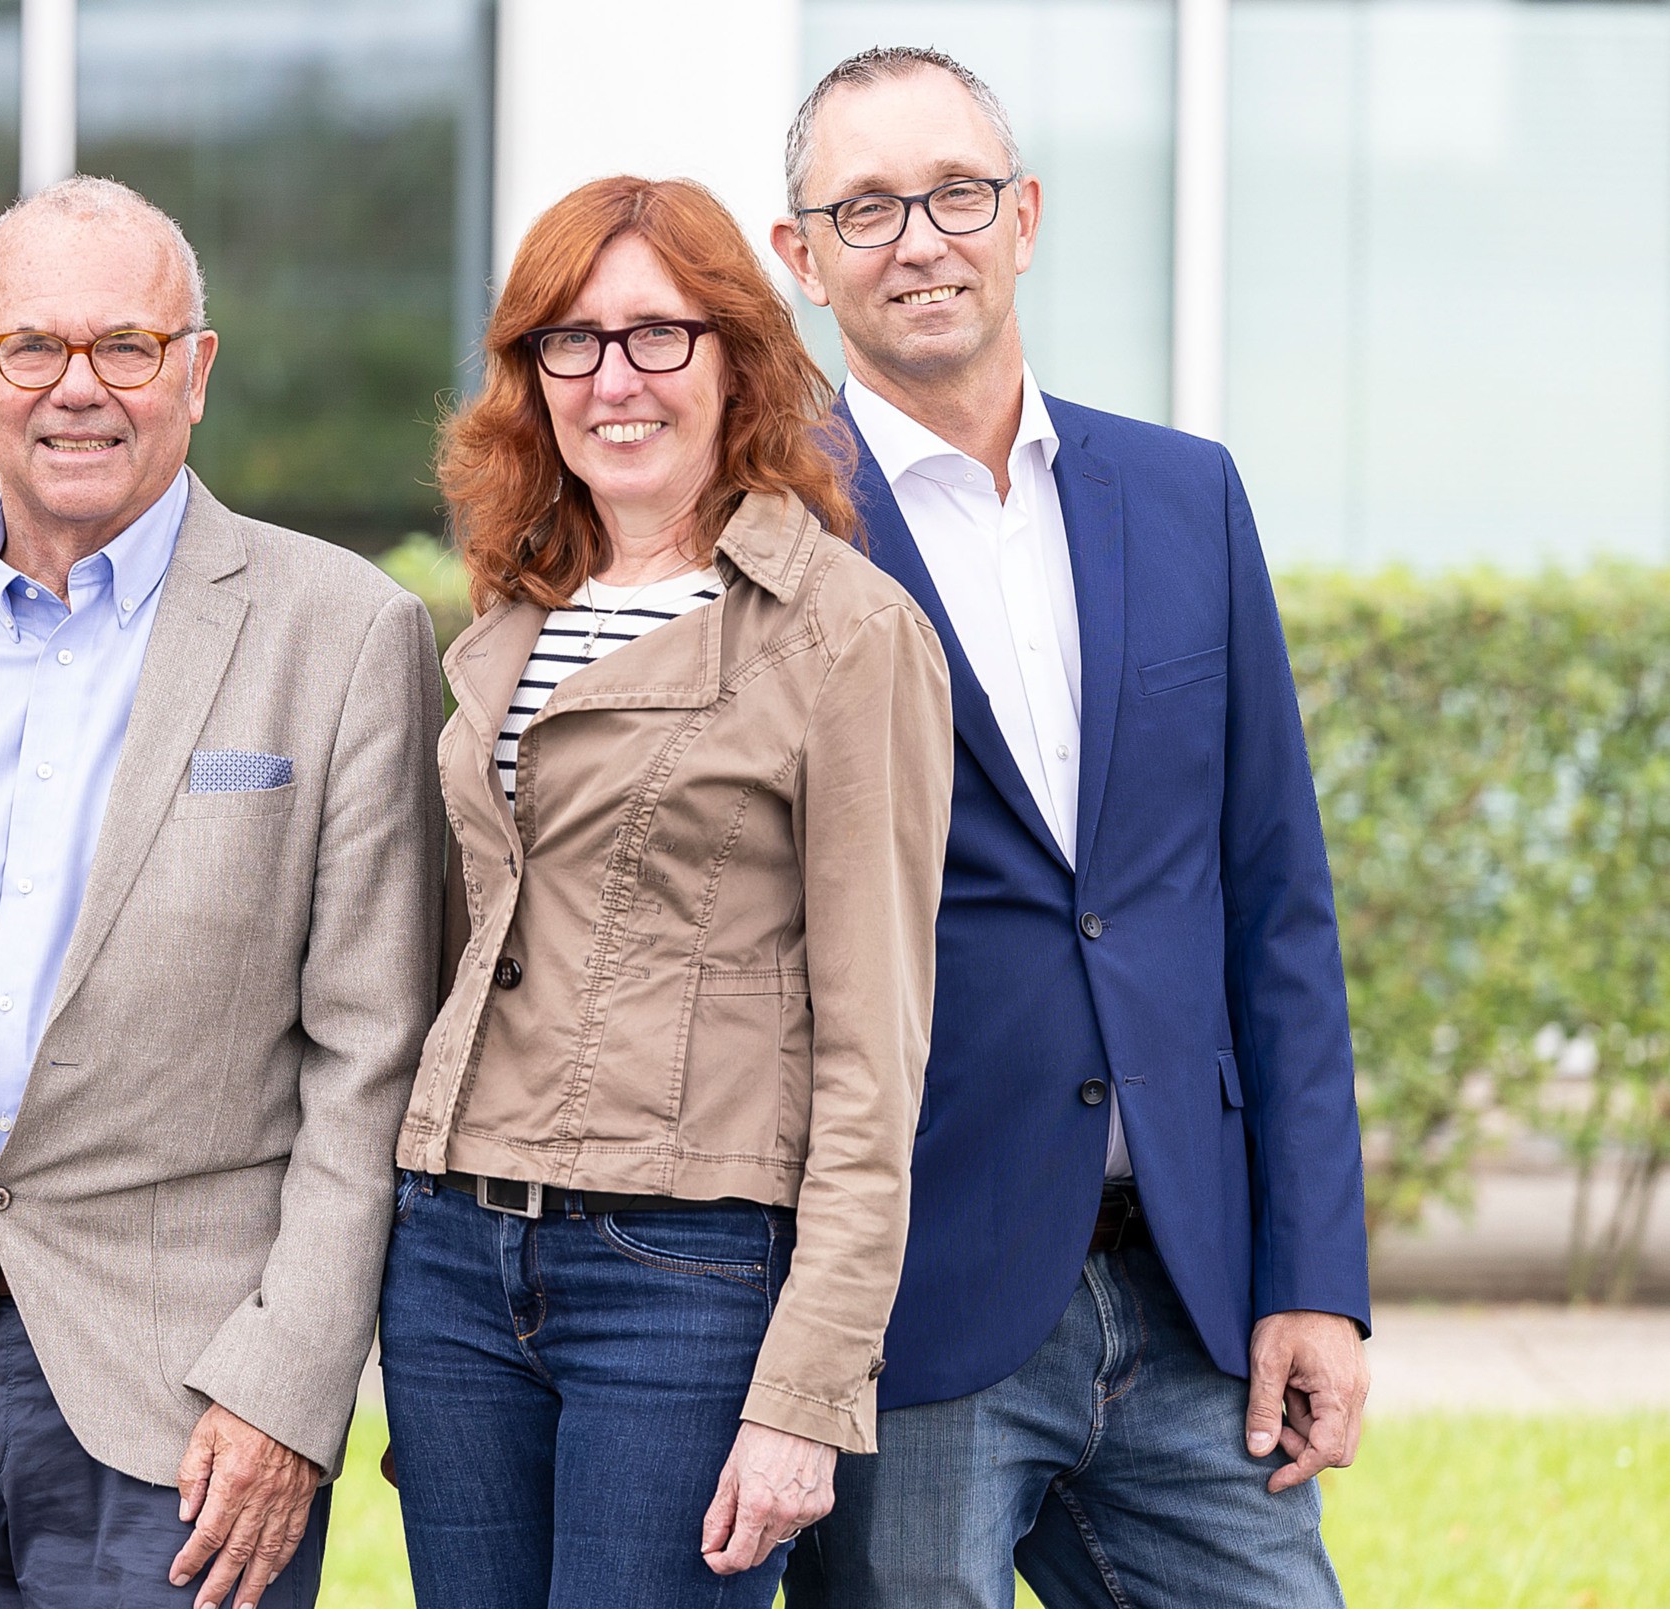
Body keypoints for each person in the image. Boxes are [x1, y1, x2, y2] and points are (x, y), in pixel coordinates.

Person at [0, 175, 441, 1609]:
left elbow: (372, 1057)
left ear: (197, 368)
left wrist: (287, 1386)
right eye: (33, 348)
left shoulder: (345, 633)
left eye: (126, 345)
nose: (80, 388)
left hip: (193, 1403)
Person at [766, 47, 1372, 1609]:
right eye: (868, 206)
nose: (920, 237)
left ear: (1023, 215)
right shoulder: (769, 538)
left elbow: (1273, 907)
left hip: (1187, 1290)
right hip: (919, 1304)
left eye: (956, 193)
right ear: (802, 253)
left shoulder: (1184, 495)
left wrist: (1315, 1280)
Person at [386, 174, 954, 1609]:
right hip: (455, 1256)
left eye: (657, 335)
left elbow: (877, 1055)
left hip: (681, 1270)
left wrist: (810, 1388)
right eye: (568, 342)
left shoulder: (842, 634)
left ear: (738, 358)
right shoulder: (518, 607)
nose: (612, 378)